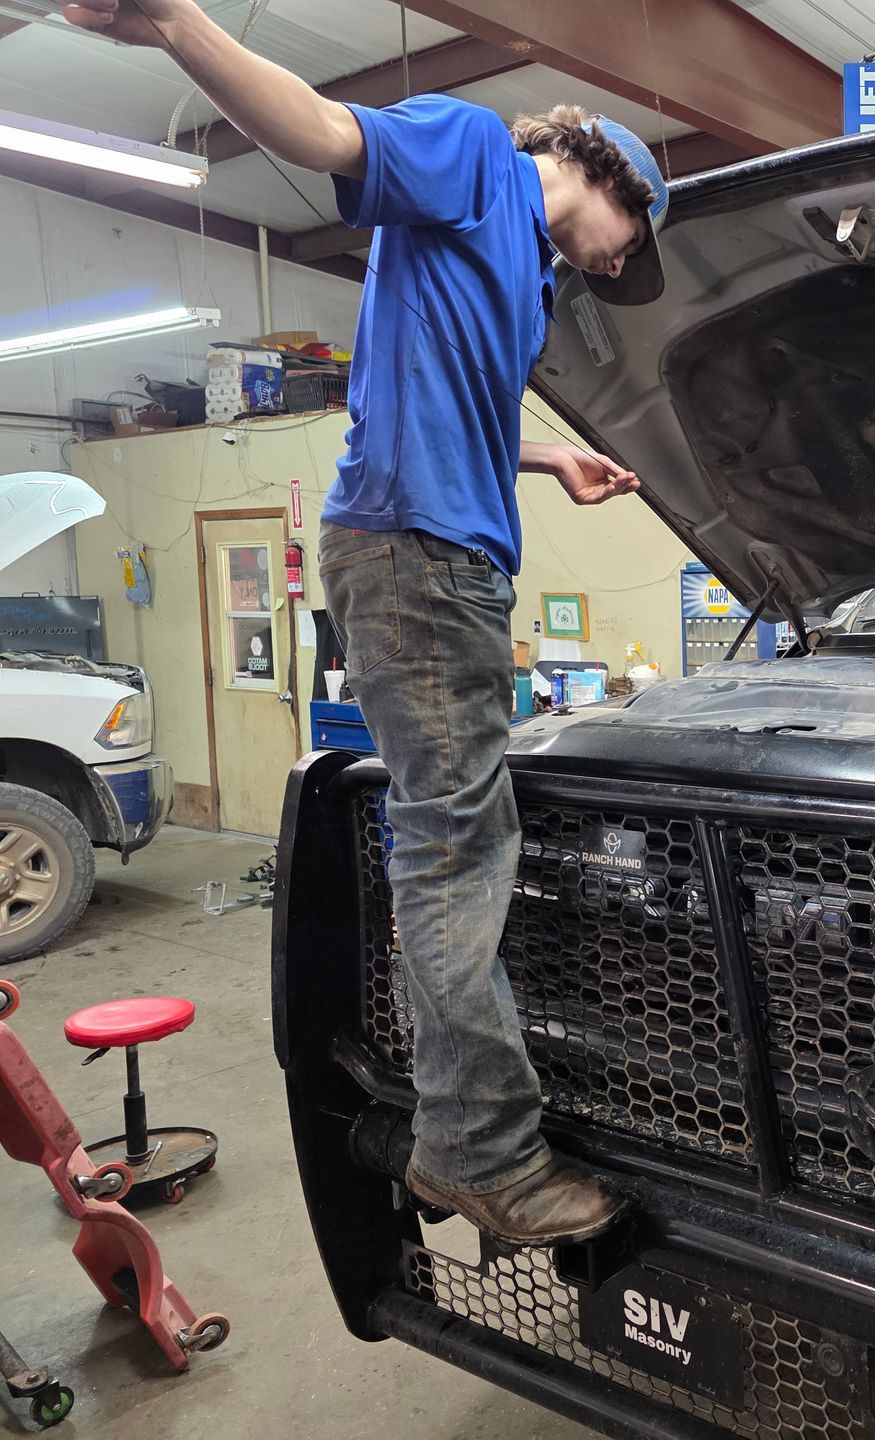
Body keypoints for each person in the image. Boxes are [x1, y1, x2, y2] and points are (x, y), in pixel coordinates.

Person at [67, 0, 667, 1244]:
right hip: (417, 562)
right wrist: (178, 23)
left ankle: (461, 1109)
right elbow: (327, 129)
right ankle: (483, 1152)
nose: (620, 263)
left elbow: (453, 401)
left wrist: (552, 466)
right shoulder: (478, 162)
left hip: (443, 563)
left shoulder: (525, 283)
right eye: (632, 236)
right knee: (454, 856)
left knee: (455, 846)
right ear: (604, 167)